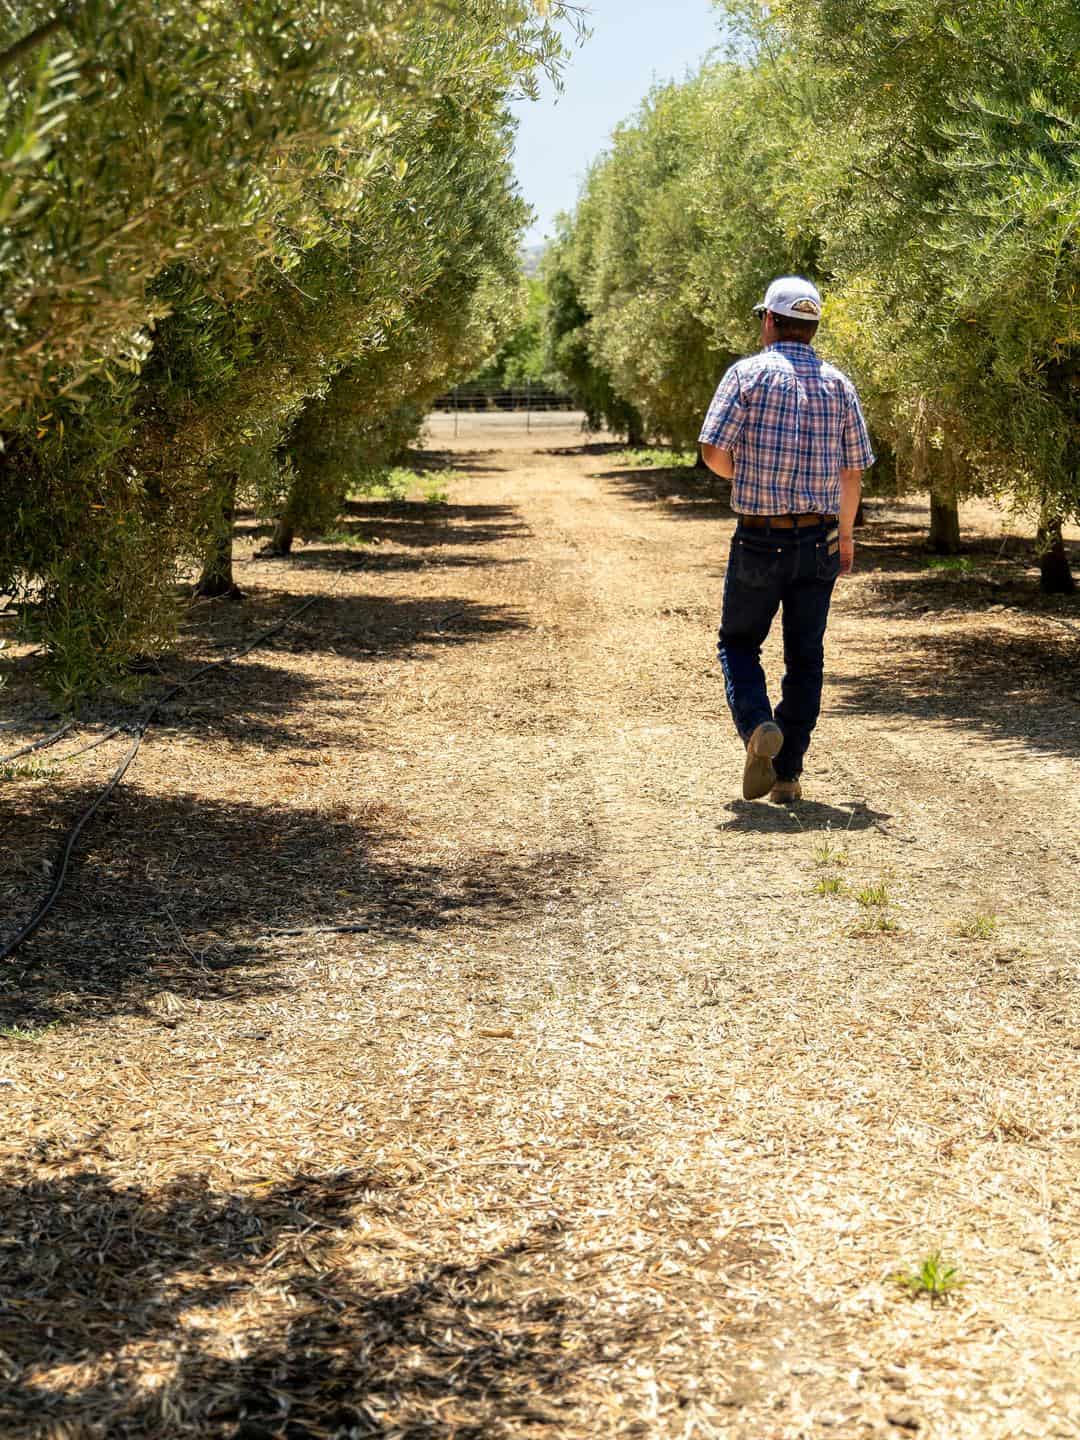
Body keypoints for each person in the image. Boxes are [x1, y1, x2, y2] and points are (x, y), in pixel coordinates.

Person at [699, 276, 875, 803]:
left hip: (759, 537)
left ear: (770, 322)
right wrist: (844, 538)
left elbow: (712, 451)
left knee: (738, 642)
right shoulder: (839, 385)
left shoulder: (746, 376)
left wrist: (746, 476)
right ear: (813, 326)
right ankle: (789, 773)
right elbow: (852, 473)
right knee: (806, 658)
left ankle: (757, 726)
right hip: (818, 540)